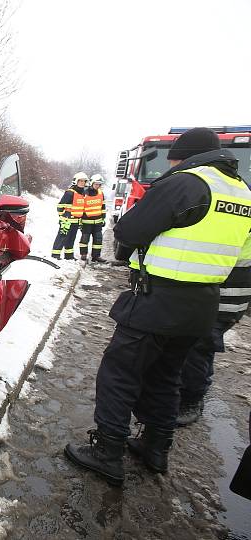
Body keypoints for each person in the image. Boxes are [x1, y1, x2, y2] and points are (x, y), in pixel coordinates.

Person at [64, 127, 251, 485]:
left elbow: (128, 230)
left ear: (186, 156)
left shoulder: (186, 182)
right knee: (167, 378)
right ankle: (155, 448)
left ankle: (107, 452)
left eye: (175, 158)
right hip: (202, 306)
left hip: (157, 300)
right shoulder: (242, 192)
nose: (173, 164)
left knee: (119, 373)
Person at [177, 227, 251, 425]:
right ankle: (197, 389)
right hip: (222, 297)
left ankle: (191, 400)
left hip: (222, 297)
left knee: (198, 349)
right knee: (202, 348)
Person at [51, 172, 87, 260]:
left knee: (71, 239)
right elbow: (60, 206)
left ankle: (69, 256)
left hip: (76, 220)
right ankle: (55, 255)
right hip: (66, 220)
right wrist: (62, 217)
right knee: (61, 237)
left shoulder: (82, 194)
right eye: (80, 181)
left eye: (84, 181)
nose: (82, 183)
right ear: (76, 181)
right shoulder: (69, 193)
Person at [79, 173, 108, 263]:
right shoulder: (84, 192)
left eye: (99, 184)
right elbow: (80, 206)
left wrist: (103, 218)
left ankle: (96, 256)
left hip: (98, 221)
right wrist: (80, 221)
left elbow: (103, 207)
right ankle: (83, 255)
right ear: (92, 183)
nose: (97, 186)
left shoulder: (100, 193)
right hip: (86, 221)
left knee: (98, 240)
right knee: (84, 239)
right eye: (96, 184)